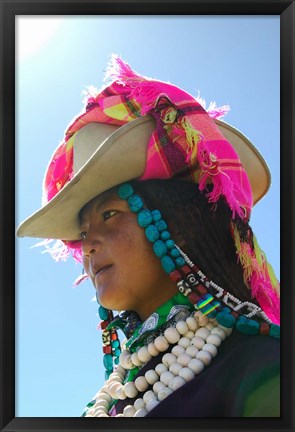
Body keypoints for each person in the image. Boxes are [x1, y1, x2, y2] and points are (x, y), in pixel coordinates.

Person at [17, 56, 280, 417]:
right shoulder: (111, 401)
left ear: (181, 226)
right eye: (82, 232)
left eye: (110, 214)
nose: (89, 245)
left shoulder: (260, 369)